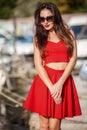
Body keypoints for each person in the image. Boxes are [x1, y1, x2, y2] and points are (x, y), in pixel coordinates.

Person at [23, 2, 82, 130]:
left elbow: (73, 59)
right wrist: (51, 87)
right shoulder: (38, 38)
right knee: (44, 126)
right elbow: (38, 64)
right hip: (45, 82)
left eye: (48, 18)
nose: (45, 22)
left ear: (55, 17)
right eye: (42, 19)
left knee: (55, 126)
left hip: (63, 80)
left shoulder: (68, 33)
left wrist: (59, 84)